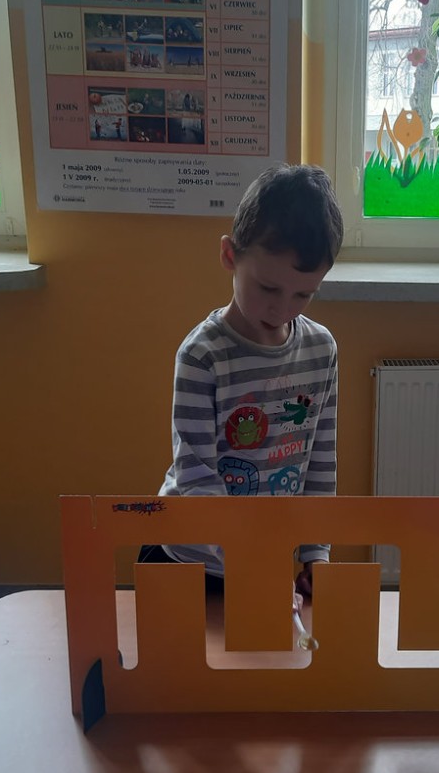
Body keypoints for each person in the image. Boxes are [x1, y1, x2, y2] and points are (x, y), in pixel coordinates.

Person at [139, 163, 343, 609]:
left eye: (303, 295)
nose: (281, 309)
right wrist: (252, 563)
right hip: (186, 559)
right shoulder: (202, 356)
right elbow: (196, 476)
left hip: (260, 561)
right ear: (230, 255)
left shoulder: (321, 350)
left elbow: (319, 465)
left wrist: (316, 552)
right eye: (268, 288)